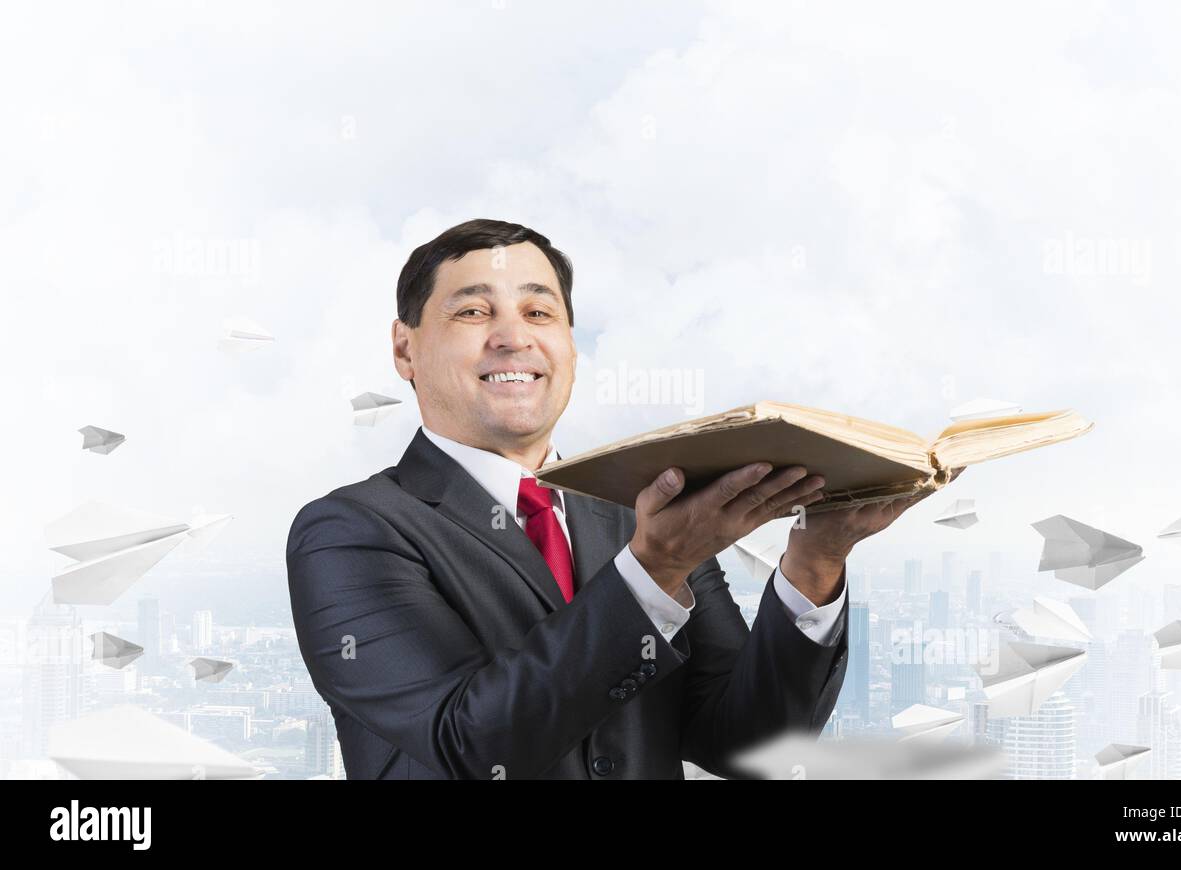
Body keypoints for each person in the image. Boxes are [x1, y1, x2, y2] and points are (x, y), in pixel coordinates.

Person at [286, 218, 942, 779]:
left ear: (570, 347)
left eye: (540, 312)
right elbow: (469, 744)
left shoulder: (639, 513)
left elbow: (745, 746)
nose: (513, 336)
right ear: (405, 348)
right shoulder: (349, 531)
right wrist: (652, 572)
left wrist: (816, 562)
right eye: (473, 311)